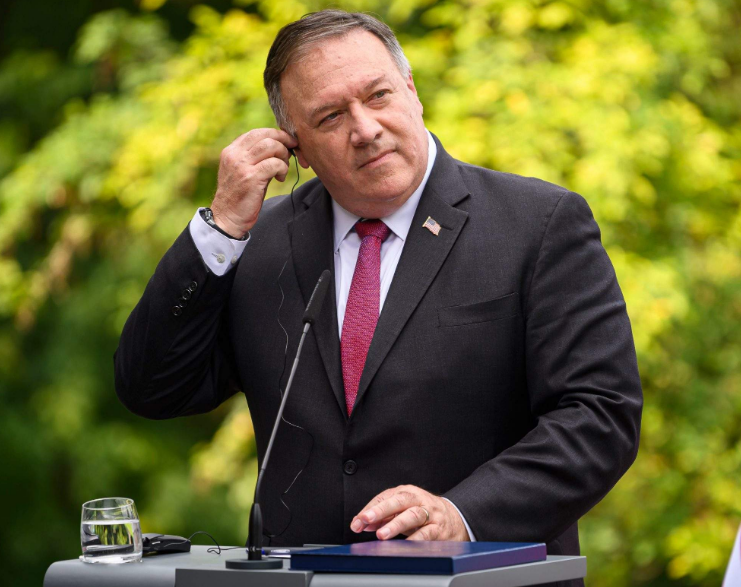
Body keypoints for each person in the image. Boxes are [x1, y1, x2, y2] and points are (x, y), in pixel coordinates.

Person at [114, 9, 641, 585]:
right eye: (331, 116)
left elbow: (600, 415)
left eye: (378, 95)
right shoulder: (257, 243)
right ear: (298, 148)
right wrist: (218, 231)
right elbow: (152, 388)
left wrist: (462, 515)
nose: (365, 129)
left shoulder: (537, 224)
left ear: (412, 91)